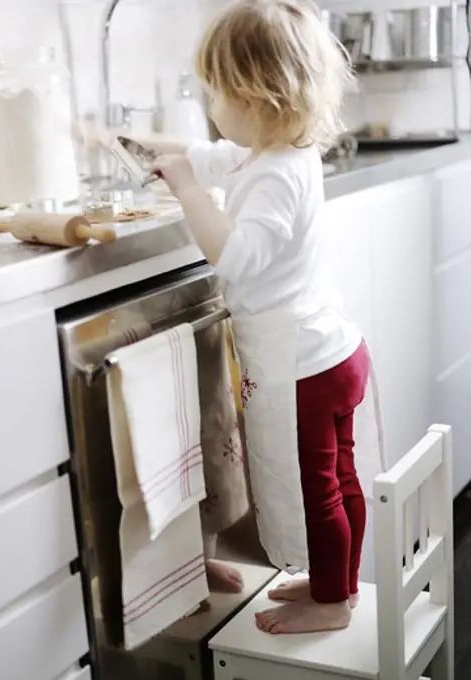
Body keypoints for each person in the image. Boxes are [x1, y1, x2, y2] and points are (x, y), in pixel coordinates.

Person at [111, 0, 379, 634]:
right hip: (331, 350)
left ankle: (333, 603)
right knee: (340, 477)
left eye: (218, 94)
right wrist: (157, 152)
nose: (211, 109)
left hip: (301, 367)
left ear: (258, 98)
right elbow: (211, 154)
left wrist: (184, 190)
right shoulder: (280, 152)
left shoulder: (273, 177)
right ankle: (339, 582)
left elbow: (235, 257)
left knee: (318, 488)